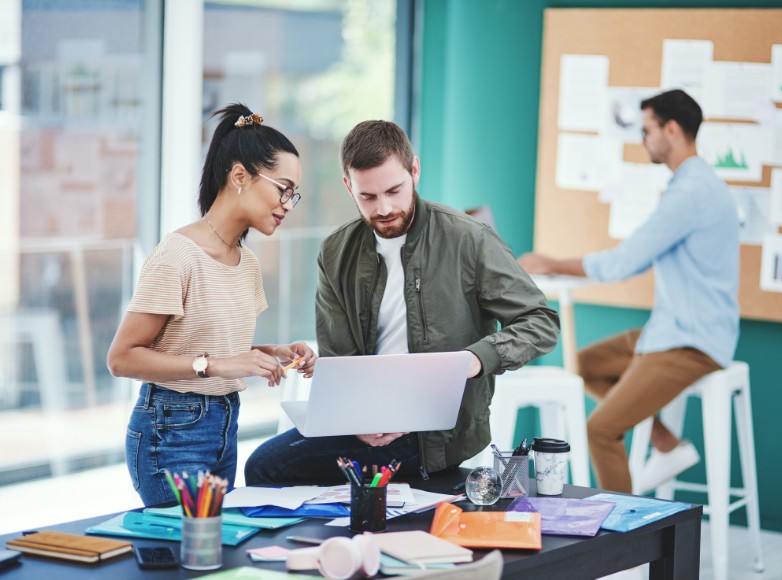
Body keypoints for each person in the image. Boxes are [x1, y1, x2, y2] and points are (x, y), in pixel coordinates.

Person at [245, 120, 560, 484]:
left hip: (437, 434)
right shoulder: (335, 252)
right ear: (349, 187)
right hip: (365, 417)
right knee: (264, 465)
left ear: (415, 170)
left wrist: (475, 359)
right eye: (368, 197)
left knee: (267, 468)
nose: (383, 208)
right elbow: (339, 355)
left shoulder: (468, 240)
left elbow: (541, 321)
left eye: (394, 190)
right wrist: (356, 417)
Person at [519, 89, 739, 494]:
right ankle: (666, 443)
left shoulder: (690, 194)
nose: (642, 140)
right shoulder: (696, 183)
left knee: (601, 431)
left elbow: (623, 263)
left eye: (647, 130)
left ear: (671, 130)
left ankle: (626, 546)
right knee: (582, 366)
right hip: (674, 327)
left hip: (691, 339)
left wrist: (550, 263)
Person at [107, 103, 317, 506]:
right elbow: (122, 359)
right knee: (187, 557)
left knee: (212, 556)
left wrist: (270, 353)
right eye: (283, 189)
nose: (288, 204)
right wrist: (217, 366)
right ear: (240, 175)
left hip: (224, 424)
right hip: (171, 431)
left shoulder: (247, 263)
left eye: (294, 194)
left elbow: (209, 345)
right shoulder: (177, 256)